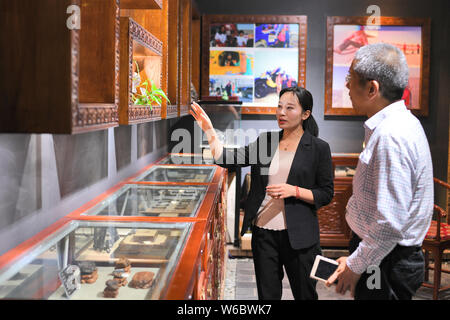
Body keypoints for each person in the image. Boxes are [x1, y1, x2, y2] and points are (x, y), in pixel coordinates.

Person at [190, 87, 334, 300]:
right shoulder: (266, 141)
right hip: (264, 233)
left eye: (289, 108)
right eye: (279, 106)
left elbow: (325, 193)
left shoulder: (319, 148)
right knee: (267, 296)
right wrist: (209, 129)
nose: (281, 113)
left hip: (301, 237)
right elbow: (227, 158)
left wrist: (293, 191)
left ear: (305, 114)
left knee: (305, 294)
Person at [325, 43, 434, 300]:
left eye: (351, 79)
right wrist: (359, 255)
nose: (347, 86)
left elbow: (389, 225)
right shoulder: (401, 124)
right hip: (383, 255)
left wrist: (356, 264)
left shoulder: (391, 135)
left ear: (372, 88)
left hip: (389, 262)